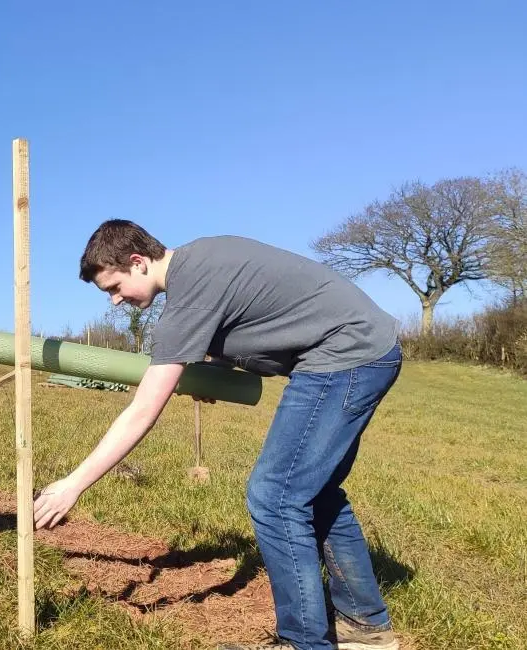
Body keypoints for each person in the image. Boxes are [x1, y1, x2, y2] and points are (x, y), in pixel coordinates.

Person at [33, 219, 402, 650]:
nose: (115, 300)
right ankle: (365, 628)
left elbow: (142, 412)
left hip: (344, 358)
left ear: (137, 262)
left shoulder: (188, 293)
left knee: (276, 496)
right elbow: (257, 312)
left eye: (114, 287)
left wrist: (73, 485)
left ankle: (303, 642)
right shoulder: (202, 261)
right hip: (366, 349)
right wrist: (216, 368)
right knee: (315, 493)